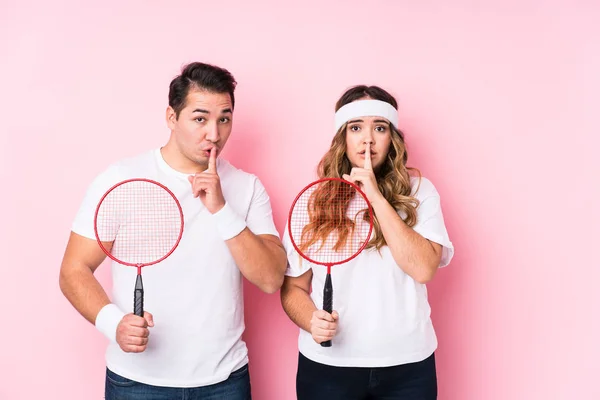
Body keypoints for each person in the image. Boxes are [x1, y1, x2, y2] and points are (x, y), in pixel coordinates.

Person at [59, 62, 287, 399]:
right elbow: (73, 270)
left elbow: (270, 279)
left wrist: (222, 209)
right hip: (137, 382)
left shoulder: (246, 187)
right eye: (200, 118)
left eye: (224, 119)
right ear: (171, 117)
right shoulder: (120, 179)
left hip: (224, 381)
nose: (214, 133)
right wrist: (113, 323)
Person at [280, 85, 454, 399]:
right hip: (327, 369)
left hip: (408, 367)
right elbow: (293, 288)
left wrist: (373, 195)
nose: (368, 139)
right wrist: (309, 320)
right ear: (342, 137)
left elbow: (424, 269)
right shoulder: (315, 201)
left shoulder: (420, 191)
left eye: (380, 127)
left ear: (393, 138)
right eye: (356, 127)